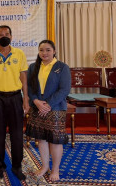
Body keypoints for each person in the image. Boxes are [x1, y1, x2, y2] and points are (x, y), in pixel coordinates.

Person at [0, 25, 29, 181]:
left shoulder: (19, 54)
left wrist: (26, 99)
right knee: (0, 135)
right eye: (1, 34)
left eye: (7, 34)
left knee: (17, 135)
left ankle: (17, 167)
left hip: (16, 98)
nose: (4, 36)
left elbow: (23, 78)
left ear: (11, 36)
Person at [25, 40, 71, 181]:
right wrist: (36, 101)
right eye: (41, 50)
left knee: (55, 140)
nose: (44, 53)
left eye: (48, 50)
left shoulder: (62, 67)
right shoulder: (33, 67)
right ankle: (45, 166)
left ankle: (55, 170)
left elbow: (64, 89)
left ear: (54, 51)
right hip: (37, 107)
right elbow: (30, 88)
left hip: (55, 108)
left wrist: (48, 104)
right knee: (41, 138)